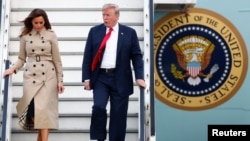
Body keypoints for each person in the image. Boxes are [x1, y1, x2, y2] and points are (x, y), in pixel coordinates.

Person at [82, 3, 146, 141]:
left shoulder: (129, 32)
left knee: (118, 114)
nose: (105, 18)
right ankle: (99, 138)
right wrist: (86, 78)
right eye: (103, 15)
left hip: (121, 78)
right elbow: (88, 55)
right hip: (100, 77)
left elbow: (136, 56)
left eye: (108, 15)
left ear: (117, 16)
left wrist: (139, 77)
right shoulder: (95, 31)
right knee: (98, 107)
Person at [3, 8, 64, 141]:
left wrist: (60, 80)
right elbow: (21, 58)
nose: (38, 25)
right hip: (31, 76)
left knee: (44, 114)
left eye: (41, 22)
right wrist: (13, 69)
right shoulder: (25, 36)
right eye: (36, 22)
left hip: (48, 75)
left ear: (45, 22)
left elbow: (57, 59)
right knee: (33, 113)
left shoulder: (50, 35)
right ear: (31, 22)